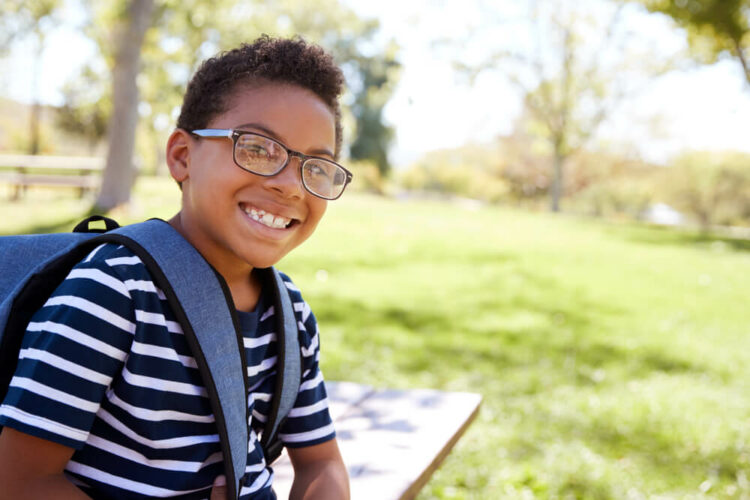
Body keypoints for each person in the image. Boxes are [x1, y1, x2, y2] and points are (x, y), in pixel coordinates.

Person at [0, 36, 351, 500]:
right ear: (183, 157)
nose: (291, 186)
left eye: (317, 167)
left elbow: (322, 463)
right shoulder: (115, 290)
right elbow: (19, 480)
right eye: (259, 148)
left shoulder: (291, 315)